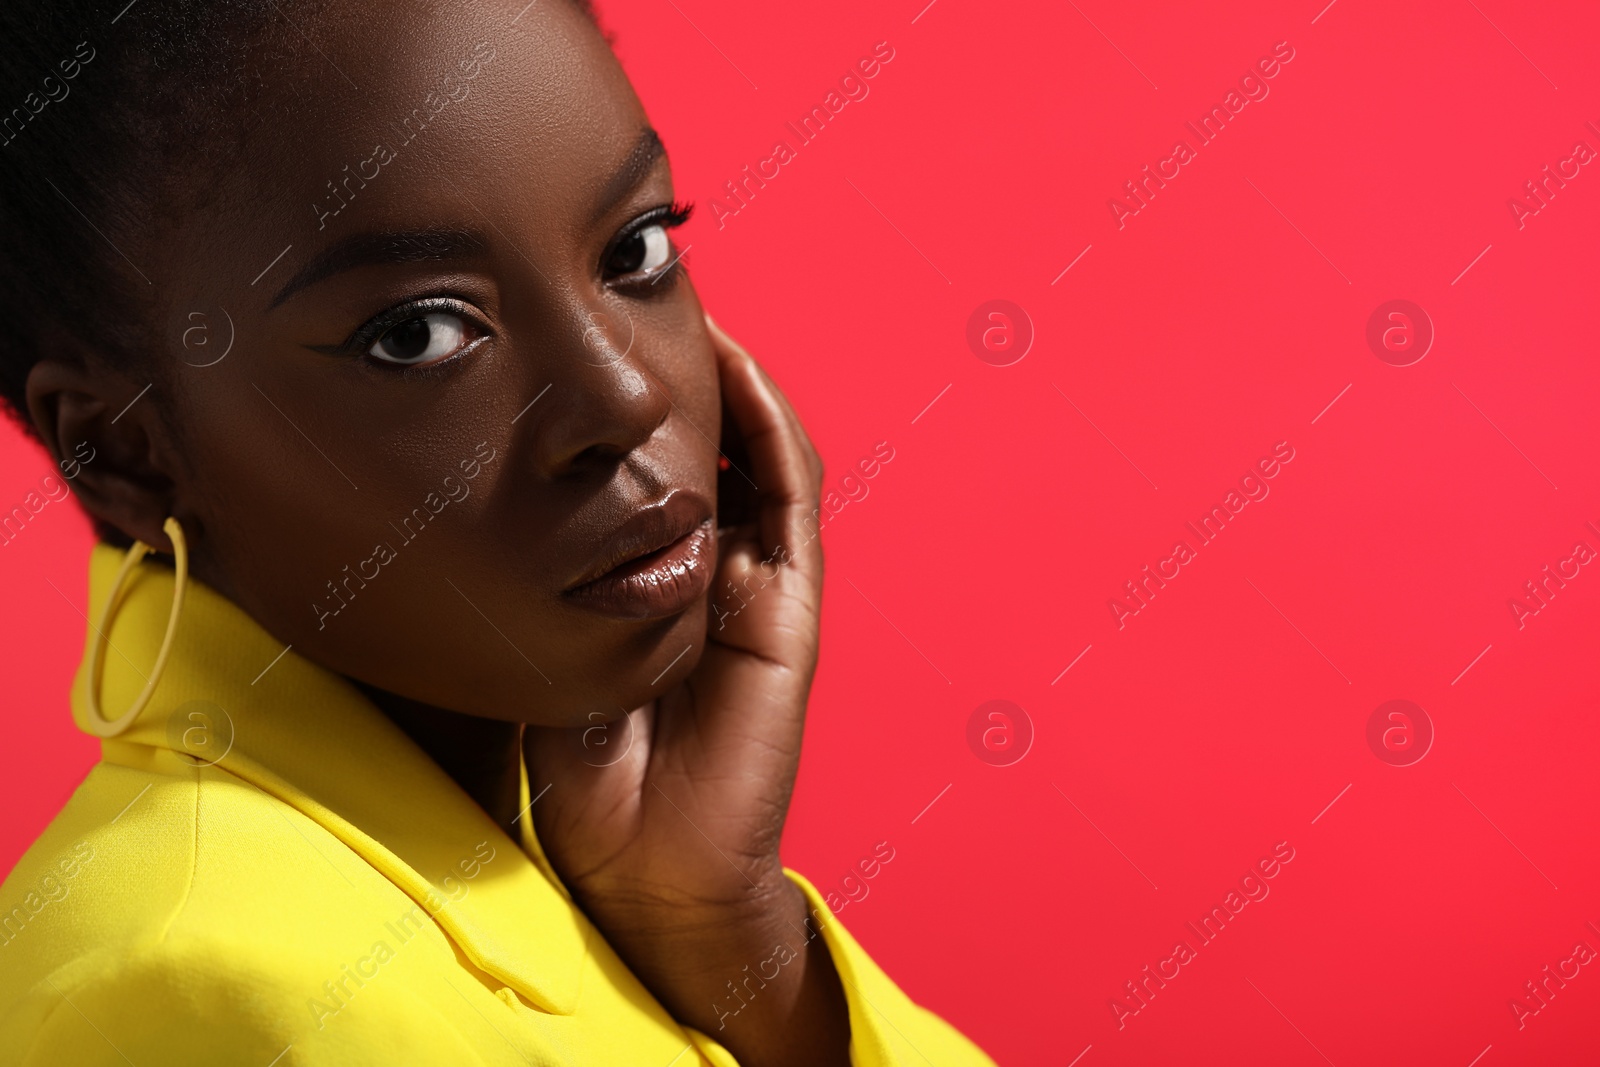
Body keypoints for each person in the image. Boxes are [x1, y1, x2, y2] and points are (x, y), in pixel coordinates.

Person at [0, 1, 995, 1064]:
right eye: (419, 332)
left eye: (636, 248)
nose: (624, 396)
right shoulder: (210, 993)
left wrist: (731, 945)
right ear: (125, 451)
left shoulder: (569, 872)